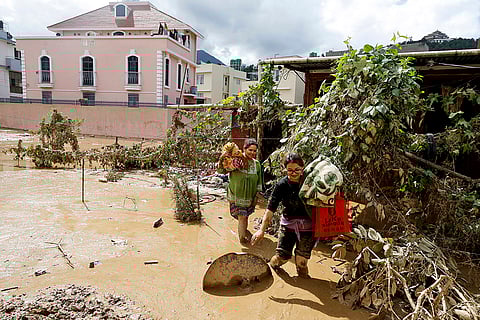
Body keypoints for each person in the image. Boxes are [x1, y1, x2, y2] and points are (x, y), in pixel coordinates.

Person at [251, 153, 314, 278]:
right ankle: (269, 270)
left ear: (303, 168)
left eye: (297, 169)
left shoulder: (311, 183)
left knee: (302, 262)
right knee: (282, 258)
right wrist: (261, 230)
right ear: (285, 169)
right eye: (290, 170)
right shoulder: (282, 185)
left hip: (308, 228)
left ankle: (304, 282)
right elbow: (270, 209)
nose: (293, 173)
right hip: (288, 226)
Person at [218, 138, 263, 244]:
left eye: (254, 151)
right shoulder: (235, 160)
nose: (252, 153)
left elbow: (259, 180)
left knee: (245, 217)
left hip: (249, 197)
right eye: (250, 150)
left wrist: (257, 195)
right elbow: (221, 170)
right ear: (244, 149)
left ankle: (243, 232)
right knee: (242, 217)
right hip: (236, 196)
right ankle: (242, 240)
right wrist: (222, 158)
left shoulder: (256, 164)